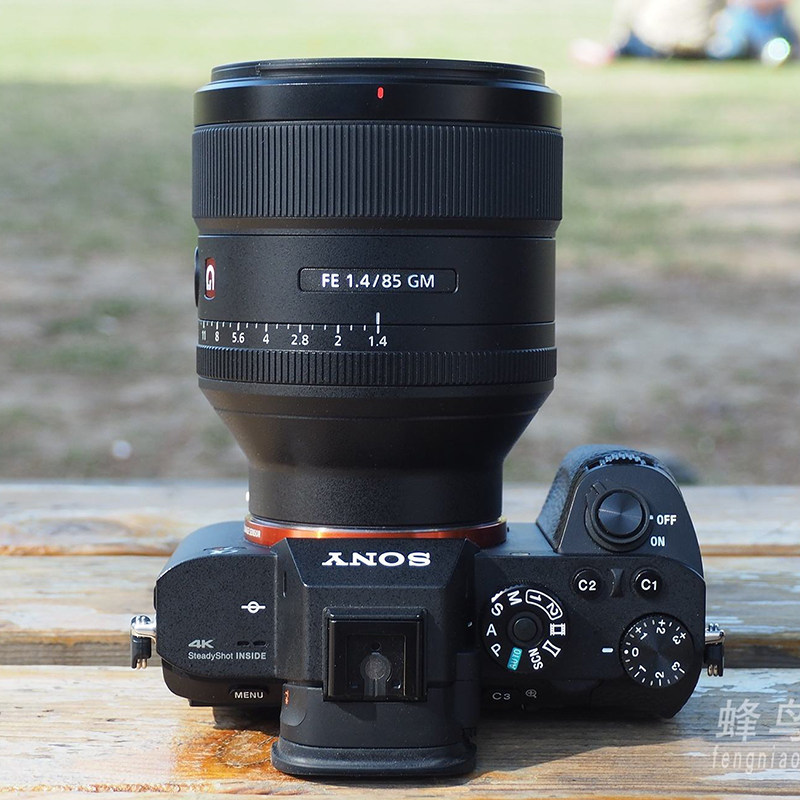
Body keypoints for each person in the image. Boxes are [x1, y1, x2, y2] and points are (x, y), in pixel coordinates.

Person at [570, 0, 798, 65]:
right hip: (697, 44)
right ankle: (777, 47)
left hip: (648, 39)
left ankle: (609, 50)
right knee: (746, 17)